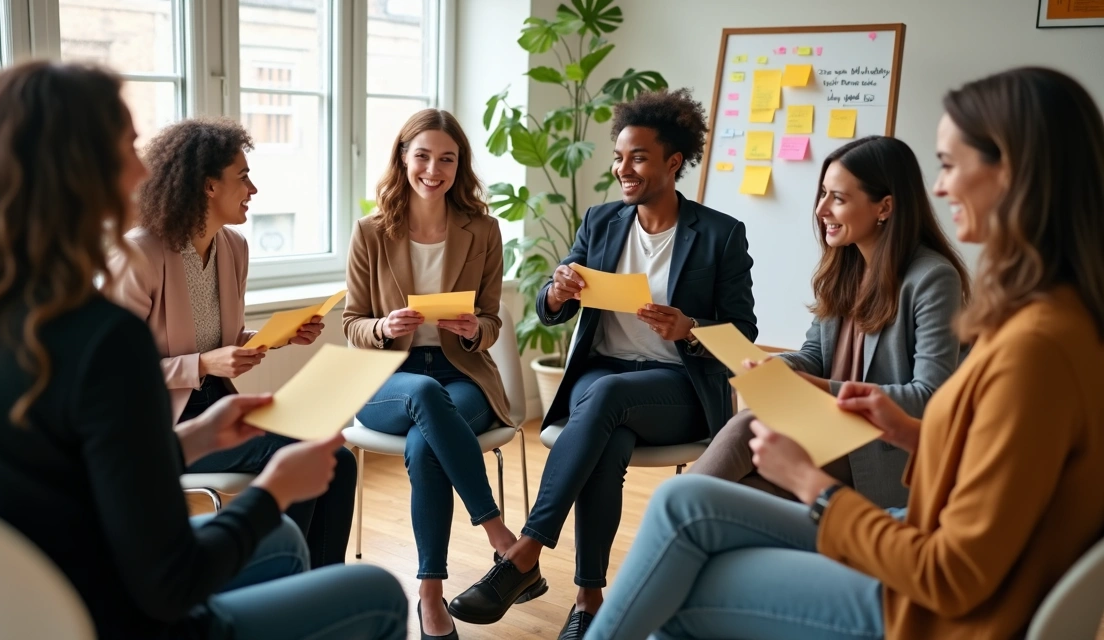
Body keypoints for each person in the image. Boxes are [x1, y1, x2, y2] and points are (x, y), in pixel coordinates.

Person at [0, 61, 407, 640]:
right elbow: (170, 584)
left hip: (4, 602)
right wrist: (275, 489)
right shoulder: (102, 338)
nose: (141, 169)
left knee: (283, 540)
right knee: (380, 592)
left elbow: (60, 474)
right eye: (127, 148)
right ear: (78, 175)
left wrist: (199, 435)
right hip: (107, 611)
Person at [585, 66, 1104, 640]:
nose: (939, 186)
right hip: (921, 534)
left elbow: (952, 575)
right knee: (688, 512)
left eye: (951, 165)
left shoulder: (1033, 344)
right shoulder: (1052, 322)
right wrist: (896, 427)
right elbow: (995, 464)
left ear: (1015, 175)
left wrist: (814, 486)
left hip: (928, 603)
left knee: (683, 566)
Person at [448, 88, 757, 639]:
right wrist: (559, 289)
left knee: (608, 399)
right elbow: (548, 309)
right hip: (604, 379)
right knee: (607, 435)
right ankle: (589, 602)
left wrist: (688, 328)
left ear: (673, 162)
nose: (622, 168)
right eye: (618, 157)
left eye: (637, 156)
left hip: (678, 388)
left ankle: (524, 554)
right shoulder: (602, 221)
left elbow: (743, 337)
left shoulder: (720, 235)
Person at [105, 118, 356, 568]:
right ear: (207, 187)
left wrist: (273, 339)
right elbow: (114, 372)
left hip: (221, 407)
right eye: (243, 177)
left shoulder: (233, 247)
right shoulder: (138, 255)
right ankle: (280, 579)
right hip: (163, 428)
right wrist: (201, 365)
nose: (253, 189)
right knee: (297, 454)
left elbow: (220, 340)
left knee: (337, 459)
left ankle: (317, 584)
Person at [689, 135, 970, 508]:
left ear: (884, 207)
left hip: (884, 451)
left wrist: (819, 389)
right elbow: (814, 354)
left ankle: (665, 518)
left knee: (747, 427)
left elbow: (928, 397)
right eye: (822, 194)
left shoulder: (933, 278)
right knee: (747, 492)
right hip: (829, 435)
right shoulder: (845, 268)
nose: (821, 209)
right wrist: (777, 367)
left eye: (837, 198)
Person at [343, 108, 537, 640]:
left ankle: (430, 591)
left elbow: (494, 319)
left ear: (460, 166)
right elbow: (350, 324)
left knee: (427, 446)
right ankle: (503, 539)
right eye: (422, 156)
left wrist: (476, 327)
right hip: (391, 379)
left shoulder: (483, 230)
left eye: (447, 159)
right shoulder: (371, 232)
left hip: (462, 373)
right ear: (403, 159)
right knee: (424, 393)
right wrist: (383, 326)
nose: (434, 168)